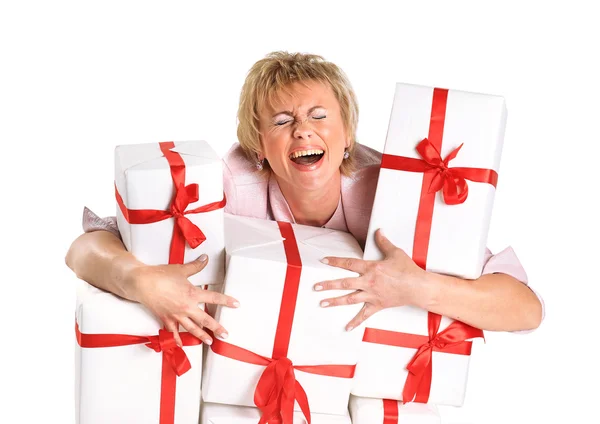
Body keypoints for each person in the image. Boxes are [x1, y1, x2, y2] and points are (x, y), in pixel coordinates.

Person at [66, 51, 543, 347]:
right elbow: (85, 249)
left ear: (348, 132)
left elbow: (525, 308)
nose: (303, 131)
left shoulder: (391, 194)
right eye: (281, 121)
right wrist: (141, 281)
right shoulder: (228, 184)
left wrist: (417, 288)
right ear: (257, 144)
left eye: (320, 116)